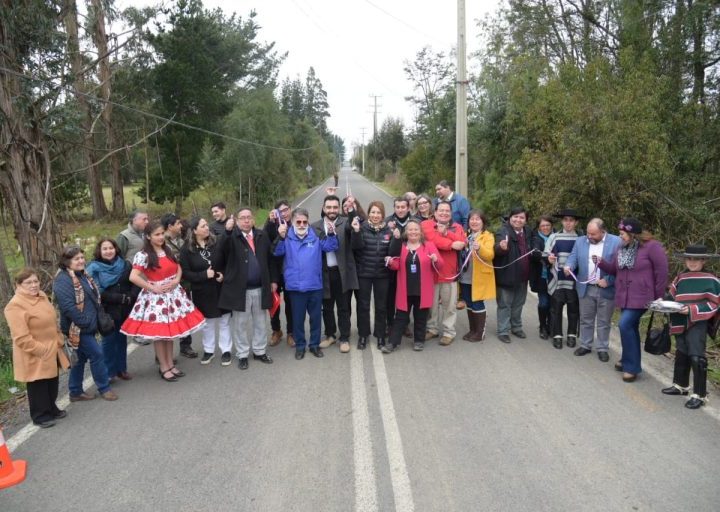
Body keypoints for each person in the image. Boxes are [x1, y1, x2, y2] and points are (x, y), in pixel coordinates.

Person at [121, 221, 205, 382]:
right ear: (148, 236)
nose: (160, 237)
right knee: (160, 335)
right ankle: (163, 367)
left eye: (161, 234)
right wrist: (152, 288)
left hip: (173, 295)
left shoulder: (167, 250)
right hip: (156, 299)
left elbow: (178, 267)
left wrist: (176, 280)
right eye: (156, 235)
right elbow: (133, 276)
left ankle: (170, 364)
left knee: (170, 334)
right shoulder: (143, 255)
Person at [597, 218, 668, 382]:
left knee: (624, 324)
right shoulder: (622, 247)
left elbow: (662, 272)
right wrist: (601, 263)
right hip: (624, 296)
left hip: (643, 296)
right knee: (630, 327)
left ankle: (632, 367)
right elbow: (614, 269)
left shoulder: (652, 247)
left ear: (632, 233)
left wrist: (658, 297)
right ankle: (626, 358)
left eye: (622, 234)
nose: (620, 236)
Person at [5, 269, 70, 428]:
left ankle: (51, 408)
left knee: (51, 382)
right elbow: (21, 337)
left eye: (35, 281)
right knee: (38, 385)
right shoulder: (14, 306)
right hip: (34, 352)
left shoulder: (41, 296)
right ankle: (40, 416)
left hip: (52, 347)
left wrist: (59, 339)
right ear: (18, 285)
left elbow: (51, 320)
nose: (34, 285)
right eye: (28, 283)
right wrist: (41, 350)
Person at [213, 207, 275, 370]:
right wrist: (226, 232)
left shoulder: (262, 235)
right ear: (237, 221)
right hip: (240, 290)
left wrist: (274, 280)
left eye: (249, 217)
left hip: (260, 288)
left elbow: (271, 259)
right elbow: (219, 256)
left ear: (253, 219)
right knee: (240, 324)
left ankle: (260, 351)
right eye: (242, 218)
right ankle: (242, 354)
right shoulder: (230, 237)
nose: (246, 220)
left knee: (260, 322)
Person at [53, 246, 118, 401]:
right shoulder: (63, 280)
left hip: (88, 325)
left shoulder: (82, 275)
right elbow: (68, 307)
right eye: (77, 259)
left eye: (82, 257)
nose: (81, 261)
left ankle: (75, 391)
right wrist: (84, 322)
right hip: (77, 328)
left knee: (81, 358)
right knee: (97, 354)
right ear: (67, 262)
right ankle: (104, 388)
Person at [274, 207, 338, 359]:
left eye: (304, 222)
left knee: (316, 318)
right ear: (293, 222)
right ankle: (301, 346)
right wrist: (281, 237)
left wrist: (331, 233)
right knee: (297, 319)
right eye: (298, 222)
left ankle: (314, 345)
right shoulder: (286, 237)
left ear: (308, 222)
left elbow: (331, 246)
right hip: (295, 287)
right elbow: (277, 252)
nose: (302, 225)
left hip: (314, 286)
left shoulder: (315, 236)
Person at [661, 244, 720, 409]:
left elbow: (715, 303)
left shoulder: (711, 279)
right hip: (679, 320)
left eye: (696, 259)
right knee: (681, 353)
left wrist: (693, 309)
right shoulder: (681, 277)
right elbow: (672, 296)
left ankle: (700, 395)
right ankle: (680, 386)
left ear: (703, 260)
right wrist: (662, 302)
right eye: (689, 258)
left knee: (696, 356)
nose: (692, 262)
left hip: (698, 322)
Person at [564, 218, 621, 363]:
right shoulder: (581, 241)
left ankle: (602, 348)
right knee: (585, 319)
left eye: (593, 234)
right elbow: (573, 257)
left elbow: (621, 268)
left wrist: (609, 280)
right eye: (588, 233)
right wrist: (568, 266)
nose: (589, 237)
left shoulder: (617, 242)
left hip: (606, 289)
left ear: (603, 231)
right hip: (586, 287)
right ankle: (585, 344)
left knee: (604, 321)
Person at [180, 217, 232, 366]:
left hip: (220, 287)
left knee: (224, 321)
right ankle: (208, 350)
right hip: (202, 290)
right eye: (203, 226)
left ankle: (226, 350)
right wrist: (203, 275)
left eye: (207, 225)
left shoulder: (217, 243)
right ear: (194, 230)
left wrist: (223, 273)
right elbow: (185, 273)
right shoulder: (187, 249)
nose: (207, 228)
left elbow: (228, 261)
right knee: (207, 323)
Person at [383, 220, 442, 352]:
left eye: (416, 229)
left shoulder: (429, 245)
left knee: (421, 317)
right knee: (400, 318)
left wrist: (435, 259)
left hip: (423, 289)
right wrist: (390, 261)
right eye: (410, 229)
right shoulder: (402, 246)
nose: (413, 232)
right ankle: (393, 343)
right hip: (405, 289)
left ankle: (419, 341)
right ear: (406, 232)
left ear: (420, 232)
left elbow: (440, 265)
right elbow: (397, 265)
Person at [86, 238, 138, 381]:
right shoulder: (93, 268)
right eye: (105, 249)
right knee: (109, 341)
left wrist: (131, 296)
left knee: (122, 339)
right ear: (99, 251)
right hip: (107, 310)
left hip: (125, 308)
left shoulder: (125, 265)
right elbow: (97, 291)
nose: (108, 251)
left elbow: (135, 281)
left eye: (111, 248)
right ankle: (109, 373)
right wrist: (120, 298)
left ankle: (121, 369)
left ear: (116, 249)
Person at [313, 195, 358, 354]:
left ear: (339, 208)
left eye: (334, 207)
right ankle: (330, 335)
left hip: (341, 273)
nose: (332, 210)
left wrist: (352, 209)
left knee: (343, 307)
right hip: (324, 274)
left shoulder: (345, 223)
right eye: (329, 207)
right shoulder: (315, 226)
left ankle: (344, 337)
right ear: (324, 208)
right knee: (327, 307)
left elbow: (353, 227)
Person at [352, 201, 397, 350]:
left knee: (381, 306)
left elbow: (392, 253)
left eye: (378, 213)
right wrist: (357, 232)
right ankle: (363, 335)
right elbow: (356, 247)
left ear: (383, 215)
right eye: (372, 212)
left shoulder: (388, 231)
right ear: (368, 213)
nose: (375, 215)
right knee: (363, 305)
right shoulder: (361, 227)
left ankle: (380, 336)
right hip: (364, 273)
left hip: (382, 275)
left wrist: (396, 238)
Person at [421, 201, 467, 346]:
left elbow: (463, 242)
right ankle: (432, 329)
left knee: (450, 306)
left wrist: (447, 233)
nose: (444, 213)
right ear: (434, 212)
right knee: (431, 305)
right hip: (431, 272)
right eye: (441, 210)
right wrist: (451, 244)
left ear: (451, 213)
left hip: (450, 273)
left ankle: (448, 332)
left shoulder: (457, 227)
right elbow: (432, 240)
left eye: (447, 211)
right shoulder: (426, 225)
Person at [493, 206, 534, 343]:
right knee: (505, 304)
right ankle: (503, 330)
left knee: (519, 303)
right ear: (510, 218)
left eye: (521, 217)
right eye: (515, 217)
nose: (518, 220)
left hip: (523, 276)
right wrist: (501, 247)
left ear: (526, 220)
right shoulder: (503, 231)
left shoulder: (528, 232)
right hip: (507, 276)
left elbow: (535, 246)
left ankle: (516, 327)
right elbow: (497, 248)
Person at [545, 209, 583, 349]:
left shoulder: (581, 239)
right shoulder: (554, 237)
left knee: (573, 309)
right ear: (562, 221)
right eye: (565, 220)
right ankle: (557, 335)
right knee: (556, 308)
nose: (568, 223)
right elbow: (546, 254)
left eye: (571, 220)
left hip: (574, 280)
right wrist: (548, 259)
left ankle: (572, 335)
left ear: (576, 222)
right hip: (558, 278)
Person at [161, 213, 197, 359]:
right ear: (170, 226)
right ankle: (162, 354)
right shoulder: (161, 241)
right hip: (167, 286)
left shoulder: (183, 239)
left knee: (185, 315)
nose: (181, 226)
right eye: (178, 224)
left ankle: (185, 345)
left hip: (184, 284)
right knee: (165, 318)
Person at [458, 210, 495, 342]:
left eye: (477, 219)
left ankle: (480, 333)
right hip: (465, 277)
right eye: (471, 219)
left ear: (483, 222)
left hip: (479, 277)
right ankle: (472, 330)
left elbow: (490, 255)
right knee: (469, 303)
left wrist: (479, 248)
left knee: (477, 303)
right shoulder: (465, 236)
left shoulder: (487, 236)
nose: (474, 222)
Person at [264, 200, 294, 348]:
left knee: (291, 303)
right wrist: (270, 222)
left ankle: (291, 332)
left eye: (286, 209)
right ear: (276, 213)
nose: (285, 213)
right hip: (274, 270)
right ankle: (276, 330)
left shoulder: (297, 223)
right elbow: (265, 242)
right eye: (281, 211)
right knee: (274, 303)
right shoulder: (272, 225)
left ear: (290, 209)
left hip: (290, 270)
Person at [385, 196, 413, 334]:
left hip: (409, 266)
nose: (400, 210)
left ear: (408, 208)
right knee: (390, 296)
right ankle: (389, 323)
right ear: (394, 208)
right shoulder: (387, 222)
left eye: (403, 207)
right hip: (391, 267)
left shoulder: (415, 222)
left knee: (406, 296)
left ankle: (404, 324)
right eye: (398, 207)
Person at [530, 215, 554, 339]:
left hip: (555, 277)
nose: (545, 228)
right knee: (544, 303)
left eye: (548, 225)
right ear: (539, 227)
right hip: (541, 276)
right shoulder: (535, 238)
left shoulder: (557, 236)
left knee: (553, 303)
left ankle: (551, 325)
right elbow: (534, 254)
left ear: (552, 226)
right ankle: (543, 326)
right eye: (543, 225)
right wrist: (546, 258)